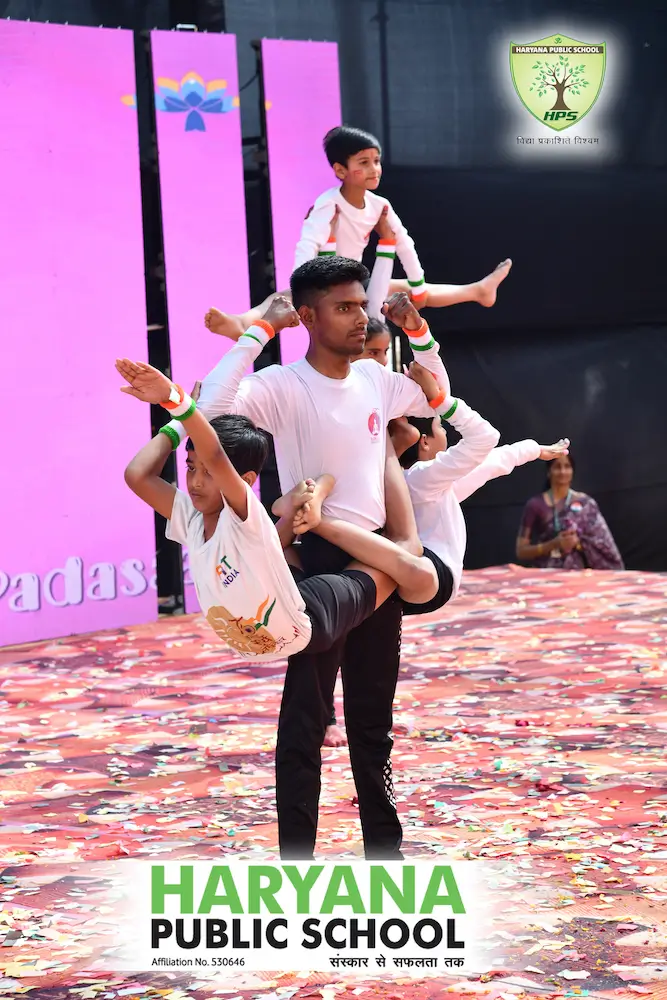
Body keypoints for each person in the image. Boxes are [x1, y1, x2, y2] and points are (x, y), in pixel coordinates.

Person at [195, 255, 457, 861]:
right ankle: (296, 864)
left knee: (372, 724)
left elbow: (433, 398)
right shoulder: (283, 386)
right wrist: (262, 330)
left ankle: (384, 858)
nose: (359, 319)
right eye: (343, 308)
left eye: (361, 306)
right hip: (316, 560)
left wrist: (418, 333)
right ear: (307, 317)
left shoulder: (373, 379)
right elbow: (212, 409)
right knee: (303, 726)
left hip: (377, 556)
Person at [204, 125, 512, 340]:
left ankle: (478, 291)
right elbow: (307, 244)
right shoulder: (328, 204)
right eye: (363, 163)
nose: (374, 169)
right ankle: (242, 323)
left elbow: (405, 244)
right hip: (328, 279)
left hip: (357, 277)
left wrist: (418, 286)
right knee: (280, 299)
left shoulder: (380, 205)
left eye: (376, 161)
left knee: (416, 292)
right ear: (340, 170)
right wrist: (303, 283)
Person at [516, 453, 624, 570]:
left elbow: (602, 543)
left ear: (572, 471)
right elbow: (521, 551)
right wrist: (554, 544)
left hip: (577, 576)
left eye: (567, 466)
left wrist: (577, 543)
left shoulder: (586, 503)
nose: (563, 471)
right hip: (545, 575)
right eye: (557, 467)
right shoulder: (535, 505)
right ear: (548, 472)